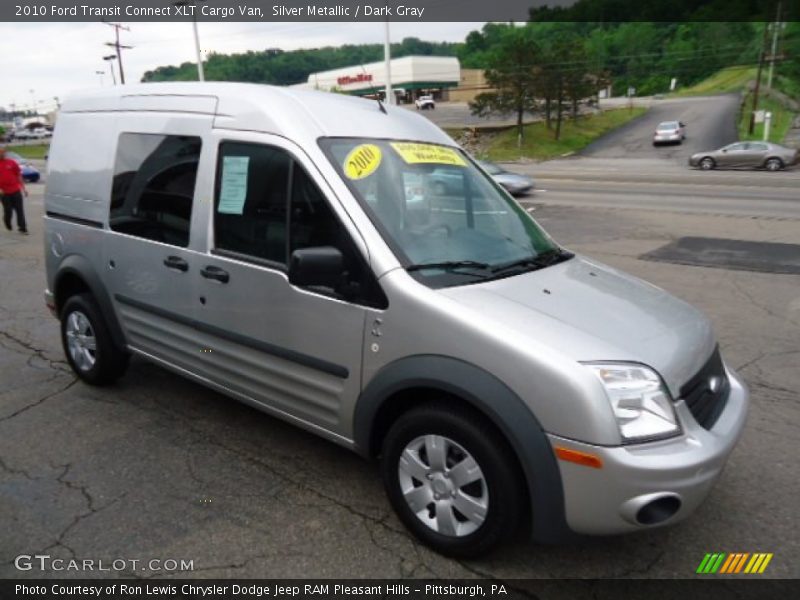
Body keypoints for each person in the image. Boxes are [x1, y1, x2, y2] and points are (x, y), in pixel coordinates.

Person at [0, 145, 28, 234]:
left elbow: (19, 175)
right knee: (8, 211)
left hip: (15, 190)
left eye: (3, 152)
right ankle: (7, 221)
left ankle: (22, 228)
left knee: (20, 210)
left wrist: (23, 188)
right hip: (3, 192)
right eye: (1, 153)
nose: (2, 154)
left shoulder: (11, 162)